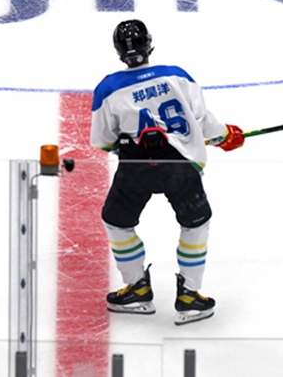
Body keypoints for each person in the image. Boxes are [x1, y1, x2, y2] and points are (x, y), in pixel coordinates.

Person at [90, 19, 244, 325]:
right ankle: (189, 295)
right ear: (150, 45)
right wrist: (225, 136)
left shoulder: (107, 88)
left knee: (117, 223)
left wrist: (128, 149)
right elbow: (202, 120)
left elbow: (102, 140)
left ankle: (136, 287)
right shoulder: (176, 75)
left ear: (118, 52)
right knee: (196, 223)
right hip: (180, 166)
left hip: (135, 167)